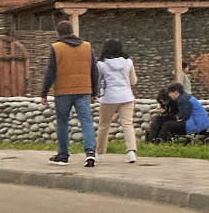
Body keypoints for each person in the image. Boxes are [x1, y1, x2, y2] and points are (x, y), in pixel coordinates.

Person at [44, 25, 99, 166]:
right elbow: (94, 70)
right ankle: (90, 153)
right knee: (86, 121)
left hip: (63, 91)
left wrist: (44, 92)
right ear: (72, 31)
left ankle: (63, 156)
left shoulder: (57, 47)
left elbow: (51, 71)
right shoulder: (87, 47)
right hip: (83, 89)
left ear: (58, 33)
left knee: (62, 122)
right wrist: (94, 91)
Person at [95, 40, 139, 166]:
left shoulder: (101, 64)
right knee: (128, 124)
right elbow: (133, 81)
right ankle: (131, 152)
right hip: (126, 96)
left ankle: (100, 153)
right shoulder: (128, 62)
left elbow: (98, 81)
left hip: (109, 97)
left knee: (104, 125)